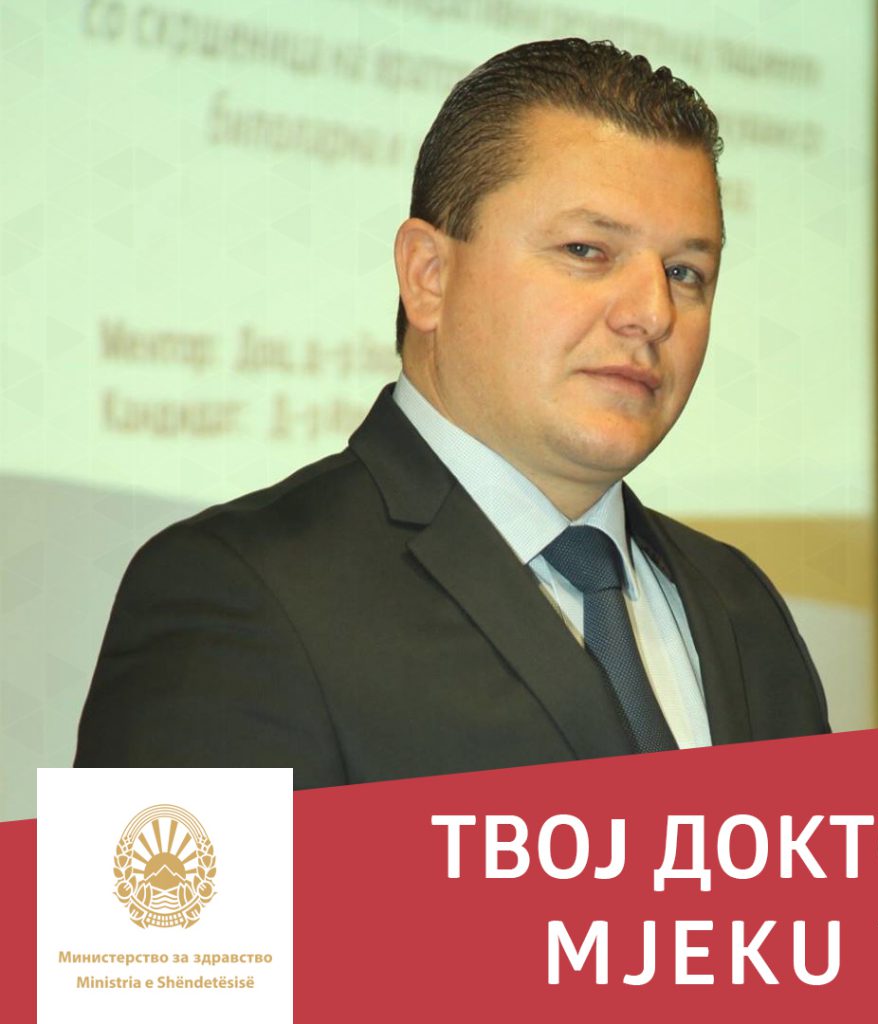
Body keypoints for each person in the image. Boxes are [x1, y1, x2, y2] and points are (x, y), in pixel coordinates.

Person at [75, 38, 829, 785]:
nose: (652, 313)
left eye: (685, 272)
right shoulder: (239, 593)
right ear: (428, 277)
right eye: (586, 250)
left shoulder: (742, 608)